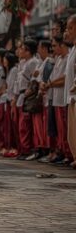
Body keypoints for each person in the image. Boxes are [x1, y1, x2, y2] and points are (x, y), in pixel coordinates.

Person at [42, 36, 71, 165]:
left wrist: (50, 84)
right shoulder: (58, 59)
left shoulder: (67, 58)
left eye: (54, 46)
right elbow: (54, 78)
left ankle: (68, 154)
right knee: (59, 129)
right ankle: (62, 152)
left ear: (62, 45)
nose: (52, 49)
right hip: (55, 98)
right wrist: (48, 84)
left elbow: (64, 78)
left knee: (65, 129)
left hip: (63, 98)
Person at [17, 39, 41, 160]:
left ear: (28, 51)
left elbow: (35, 79)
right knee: (22, 125)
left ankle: (29, 149)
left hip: (28, 96)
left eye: (22, 48)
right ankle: (24, 149)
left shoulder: (33, 62)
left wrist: (30, 91)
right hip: (21, 96)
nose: (19, 51)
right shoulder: (23, 62)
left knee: (26, 125)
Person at [32, 40, 54, 162]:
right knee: (39, 127)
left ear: (45, 49)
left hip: (47, 97)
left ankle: (48, 149)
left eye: (39, 48)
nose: (38, 50)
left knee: (45, 126)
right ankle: (41, 148)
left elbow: (45, 80)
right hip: (42, 98)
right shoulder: (41, 63)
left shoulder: (49, 62)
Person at [2, 52, 20, 158]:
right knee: (8, 125)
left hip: (12, 100)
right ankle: (10, 146)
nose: (4, 61)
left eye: (5, 59)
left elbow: (13, 86)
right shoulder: (9, 71)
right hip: (8, 100)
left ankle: (15, 147)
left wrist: (13, 99)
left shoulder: (13, 70)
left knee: (13, 125)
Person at [64, 14, 76, 169]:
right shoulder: (73, 49)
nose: (67, 31)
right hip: (71, 96)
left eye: (71, 28)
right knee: (71, 133)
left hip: (75, 95)